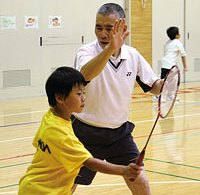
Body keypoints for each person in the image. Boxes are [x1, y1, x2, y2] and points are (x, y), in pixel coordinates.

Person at [72, 3, 163, 195]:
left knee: (140, 182)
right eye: (99, 27)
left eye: (109, 28)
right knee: (68, 184)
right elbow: (86, 73)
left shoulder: (133, 55)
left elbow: (154, 87)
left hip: (119, 134)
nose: (103, 34)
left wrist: (165, 84)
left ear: (122, 28)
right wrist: (110, 49)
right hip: (84, 133)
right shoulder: (86, 52)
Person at [18, 67, 142, 195]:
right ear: (60, 98)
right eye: (78, 94)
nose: (84, 98)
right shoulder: (60, 133)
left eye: (84, 93)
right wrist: (123, 170)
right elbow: (90, 163)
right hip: (42, 191)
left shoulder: (50, 117)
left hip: (34, 187)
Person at [153, 26, 187, 100]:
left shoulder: (168, 42)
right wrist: (185, 67)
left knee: (170, 81)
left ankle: (169, 95)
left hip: (165, 64)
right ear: (176, 35)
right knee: (166, 81)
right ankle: (159, 95)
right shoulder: (178, 43)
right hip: (169, 65)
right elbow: (183, 55)